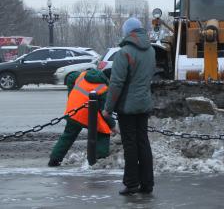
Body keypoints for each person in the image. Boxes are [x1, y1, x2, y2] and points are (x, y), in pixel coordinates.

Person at [103, 17, 156, 196]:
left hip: (127, 106)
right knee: (143, 142)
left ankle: (131, 183)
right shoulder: (151, 51)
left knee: (130, 145)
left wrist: (108, 108)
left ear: (127, 33)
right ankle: (147, 184)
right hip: (144, 103)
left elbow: (116, 83)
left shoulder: (124, 53)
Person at [48, 69, 115, 167]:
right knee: (103, 132)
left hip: (73, 110)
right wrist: (113, 126)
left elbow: (70, 77)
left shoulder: (83, 75)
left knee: (68, 135)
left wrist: (71, 94)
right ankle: (100, 159)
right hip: (87, 113)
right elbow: (104, 112)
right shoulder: (104, 88)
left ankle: (54, 160)